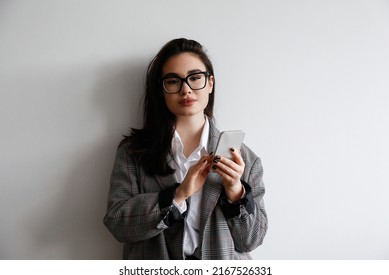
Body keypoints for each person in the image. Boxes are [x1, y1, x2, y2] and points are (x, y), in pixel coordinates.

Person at [103, 38, 268, 260]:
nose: (186, 89)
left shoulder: (244, 158)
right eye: (173, 81)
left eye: (195, 78)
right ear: (162, 89)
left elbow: (252, 239)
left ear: (210, 83)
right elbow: (118, 224)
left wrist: (236, 191)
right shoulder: (133, 152)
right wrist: (177, 195)